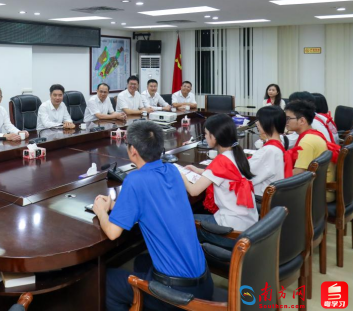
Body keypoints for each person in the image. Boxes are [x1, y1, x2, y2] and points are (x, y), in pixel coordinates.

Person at [93, 121, 213, 311]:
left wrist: (100, 211)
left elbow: (113, 233)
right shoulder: (172, 170)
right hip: (205, 285)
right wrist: (117, 206)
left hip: (176, 297)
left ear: (133, 151)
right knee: (141, 262)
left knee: (106, 282)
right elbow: (153, 203)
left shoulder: (135, 180)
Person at [180, 114, 258, 249]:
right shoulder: (236, 154)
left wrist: (180, 174)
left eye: (206, 134)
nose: (205, 137)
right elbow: (226, 174)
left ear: (214, 137)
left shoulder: (221, 161)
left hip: (231, 233)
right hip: (248, 226)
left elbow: (194, 191)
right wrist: (200, 171)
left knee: (180, 222)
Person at [285, 101, 340, 201]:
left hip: (318, 194)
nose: (286, 122)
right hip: (321, 188)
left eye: (288, 118)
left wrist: (277, 174)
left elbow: (299, 172)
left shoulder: (307, 141)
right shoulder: (313, 134)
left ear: (302, 120)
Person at [249, 106, 287, 195]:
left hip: (262, 197)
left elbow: (248, 173)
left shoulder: (269, 151)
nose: (257, 123)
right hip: (274, 194)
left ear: (269, 123)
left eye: (259, 120)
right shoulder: (281, 142)